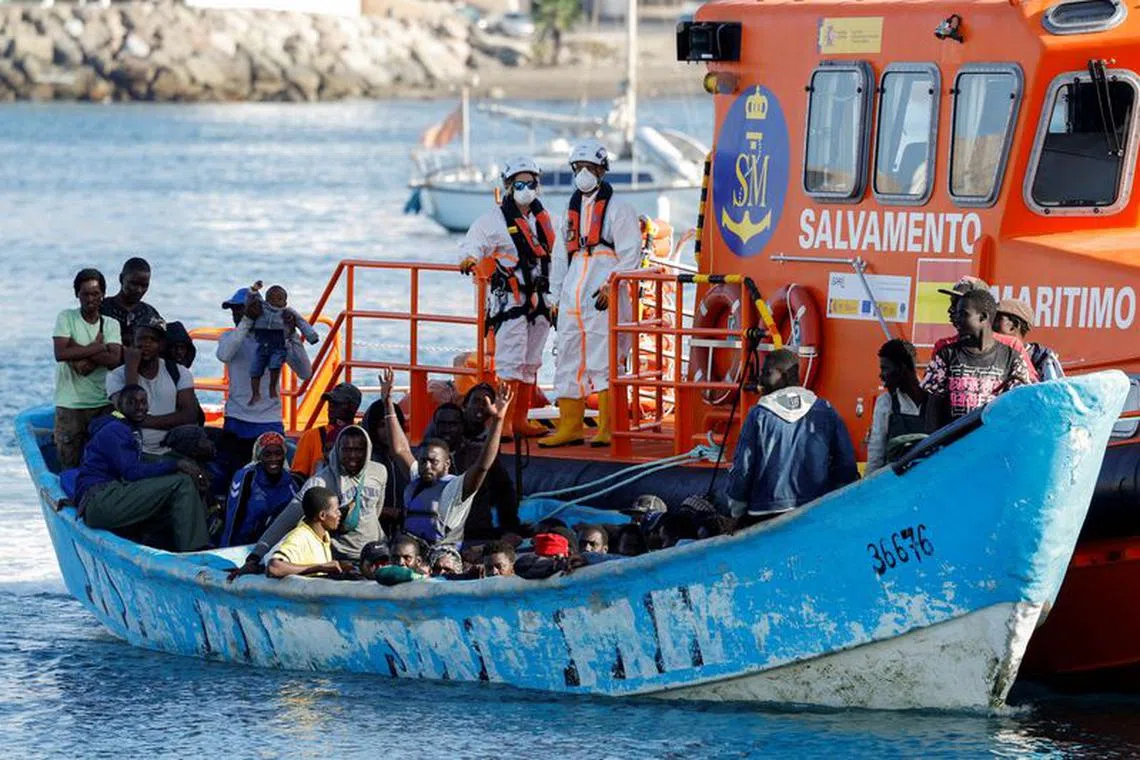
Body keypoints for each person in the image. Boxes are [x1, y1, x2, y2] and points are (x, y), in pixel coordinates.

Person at [542, 138, 642, 448]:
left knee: (605, 358)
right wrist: (554, 297)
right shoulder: (569, 212)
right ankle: (570, 426)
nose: (584, 173)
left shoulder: (619, 209)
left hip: (602, 294)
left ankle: (607, 427)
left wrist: (612, 285)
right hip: (574, 289)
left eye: (590, 167)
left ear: (602, 170)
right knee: (568, 357)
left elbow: (631, 255)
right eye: (579, 167)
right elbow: (560, 258)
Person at [458, 156, 560, 439]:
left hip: (541, 301)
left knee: (531, 362)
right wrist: (469, 258)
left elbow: (558, 253)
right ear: (508, 185)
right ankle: (502, 423)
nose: (526, 188)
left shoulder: (544, 219)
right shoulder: (493, 221)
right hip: (512, 302)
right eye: (519, 183)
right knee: (510, 362)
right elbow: (474, 241)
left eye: (531, 183)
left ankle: (521, 419)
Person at [380, 366, 511, 548]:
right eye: (423, 461)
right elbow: (400, 450)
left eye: (434, 462)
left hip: (445, 554)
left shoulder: (456, 488)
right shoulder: (418, 478)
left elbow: (482, 465)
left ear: (446, 464)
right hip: (415, 552)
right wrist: (387, 404)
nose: (427, 466)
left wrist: (498, 420)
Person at [724, 348, 859, 523]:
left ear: (785, 375)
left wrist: (736, 508)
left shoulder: (758, 415)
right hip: (815, 510)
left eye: (766, 373)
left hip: (764, 512)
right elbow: (846, 463)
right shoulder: (825, 410)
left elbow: (743, 466)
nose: (761, 381)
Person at [235, 425, 387, 578]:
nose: (352, 455)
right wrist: (255, 557)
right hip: (341, 558)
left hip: (375, 554)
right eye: (346, 449)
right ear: (337, 450)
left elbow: (375, 511)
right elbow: (285, 520)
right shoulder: (320, 482)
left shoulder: (380, 472)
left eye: (359, 449)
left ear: (367, 450)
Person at [75, 384, 209, 552]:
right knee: (181, 483)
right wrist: (176, 465)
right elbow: (132, 472)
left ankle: (158, 542)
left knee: (177, 485)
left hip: (105, 498)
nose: (139, 407)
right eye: (132, 402)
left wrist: (177, 466)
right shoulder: (115, 429)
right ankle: (196, 552)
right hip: (101, 500)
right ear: (119, 405)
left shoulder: (124, 427)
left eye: (143, 402)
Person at [215, 284, 313, 487]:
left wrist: (292, 334)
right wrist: (247, 321)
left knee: (272, 483)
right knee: (233, 481)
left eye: (241, 309)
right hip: (236, 420)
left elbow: (305, 372)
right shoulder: (230, 338)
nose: (237, 314)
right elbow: (224, 354)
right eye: (235, 310)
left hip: (269, 421)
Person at [922, 289, 1034, 429]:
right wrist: (932, 444)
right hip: (952, 444)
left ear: (983, 317)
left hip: (991, 441)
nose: (956, 318)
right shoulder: (946, 355)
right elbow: (932, 406)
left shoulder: (1011, 358)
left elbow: (1019, 407)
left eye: (963, 314)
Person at [53, 268, 123, 469]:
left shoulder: (110, 324)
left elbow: (114, 359)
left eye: (95, 293)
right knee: (70, 462)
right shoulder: (66, 318)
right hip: (71, 405)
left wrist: (78, 352)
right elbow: (60, 354)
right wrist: (99, 346)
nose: (91, 299)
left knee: (103, 462)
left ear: (103, 295)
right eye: (85, 294)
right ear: (77, 294)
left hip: (102, 402)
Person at [105, 317, 200, 456]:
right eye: (142, 339)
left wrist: (144, 421)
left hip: (171, 449)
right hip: (133, 451)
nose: (147, 344)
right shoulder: (116, 376)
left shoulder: (179, 372)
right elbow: (131, 411)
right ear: (132, 342)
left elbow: (189, 416)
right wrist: (131, 368)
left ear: (161, 345)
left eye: (153, 340)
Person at [936, 276, 1039, 382]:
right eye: (952, 303)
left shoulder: (1011, 346)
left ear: (982, 312)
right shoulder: (944, 348)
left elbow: (1029, 388)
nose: (950, 310)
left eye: (958, 304)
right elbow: (933, 394)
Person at [220, 431, 298, 547]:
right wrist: (227, 550)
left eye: (278, 454)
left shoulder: (292, 482)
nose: (273, 459)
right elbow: (233, 515)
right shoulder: (246, 477)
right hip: (243, 546)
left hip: (276, 546)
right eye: (267, 455)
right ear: (259, 456)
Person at [247, 282, 320, 404]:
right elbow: (252, 298)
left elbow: (302, 323)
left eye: (279, 299)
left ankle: (272, 389)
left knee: (276, 369)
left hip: (282, 344)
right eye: (271, 298)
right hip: (263, 344)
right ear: (266, 300)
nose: (275, 301)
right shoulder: (260, 309)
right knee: (256, 370)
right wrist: (254, 289)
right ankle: (256, 394)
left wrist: (311, 337)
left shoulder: (288, 313)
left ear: (285, 302)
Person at [865, 339, 929, 473]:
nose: (881, 375)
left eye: (885, 368)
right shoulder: (886, 402)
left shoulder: (934, 401)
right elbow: (876, 451)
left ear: (902, 368)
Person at [266, 487, 351, 579]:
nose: (339, 514)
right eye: (336, 510)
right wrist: (319, 567)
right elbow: (274, 567)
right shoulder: (299, 537)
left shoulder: (323, 534)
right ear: (322, 515)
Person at [292, 382, 362, 479]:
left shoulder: (362, 436)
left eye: (337, 403)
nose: (331, 406)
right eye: (330, 402)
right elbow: (298, 477)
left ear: (352, 407)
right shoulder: (311, 436)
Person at [362, 397, 409, 536]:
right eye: (382, 425)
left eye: (392, 424)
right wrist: (389, 512)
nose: (388, 430)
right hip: (372, 534)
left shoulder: (409, 458)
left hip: (404, 534)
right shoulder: (364, 460)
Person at [994, 298, 1065, 381]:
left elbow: (1055, 390)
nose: (988, 326)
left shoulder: (1043, 358)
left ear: (1014, 326)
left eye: (995, 320)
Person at [100, 257, 162, 349]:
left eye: (144, 285)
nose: (139, 290)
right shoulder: (101, 308)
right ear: (121, 279)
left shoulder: (151, 314)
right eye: (134, 284)